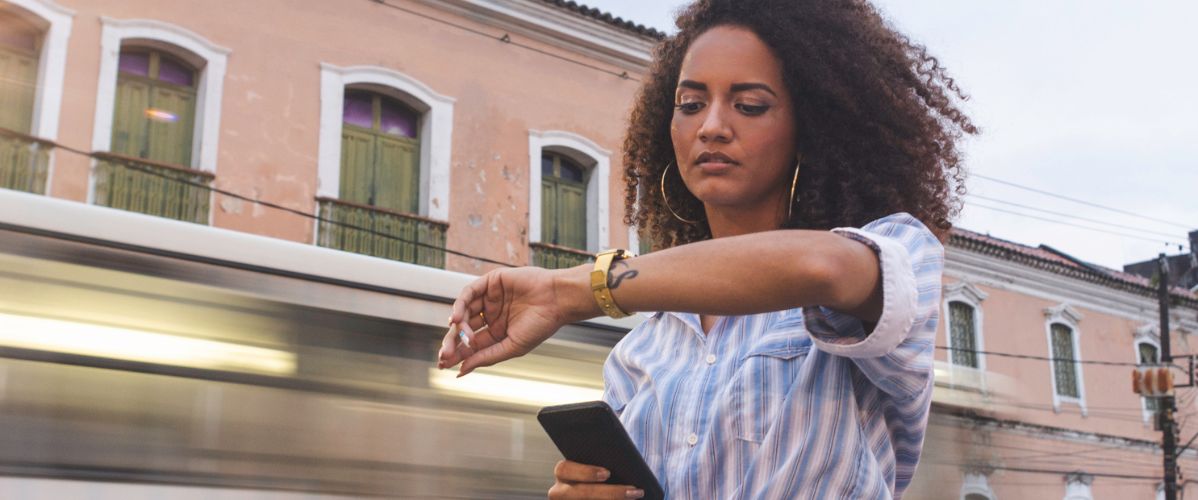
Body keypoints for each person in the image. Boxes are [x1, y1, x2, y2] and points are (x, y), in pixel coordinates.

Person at [437, 0, 977, 497]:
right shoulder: (642, 353)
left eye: (749, 105)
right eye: (691, 103)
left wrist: (567, 291)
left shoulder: (895, 254)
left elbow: (822, 267)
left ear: (811, 126)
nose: (712, 127)